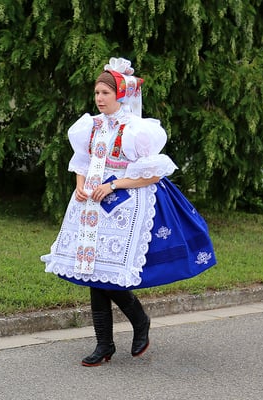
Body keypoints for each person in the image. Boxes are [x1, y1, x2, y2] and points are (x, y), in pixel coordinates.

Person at [41, 57, 217, 367]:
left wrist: (113, 184)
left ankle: (136, 323)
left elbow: (153, 175)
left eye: (105, 93)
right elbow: (82, 162)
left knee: (107, 275)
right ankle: (106, 343)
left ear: (119, 95)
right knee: (93, 273)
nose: (99, 99)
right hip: (91, 206)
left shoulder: (136, 129)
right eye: (97, 93)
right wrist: (80, 185)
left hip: (125, 208)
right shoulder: (90, 126)